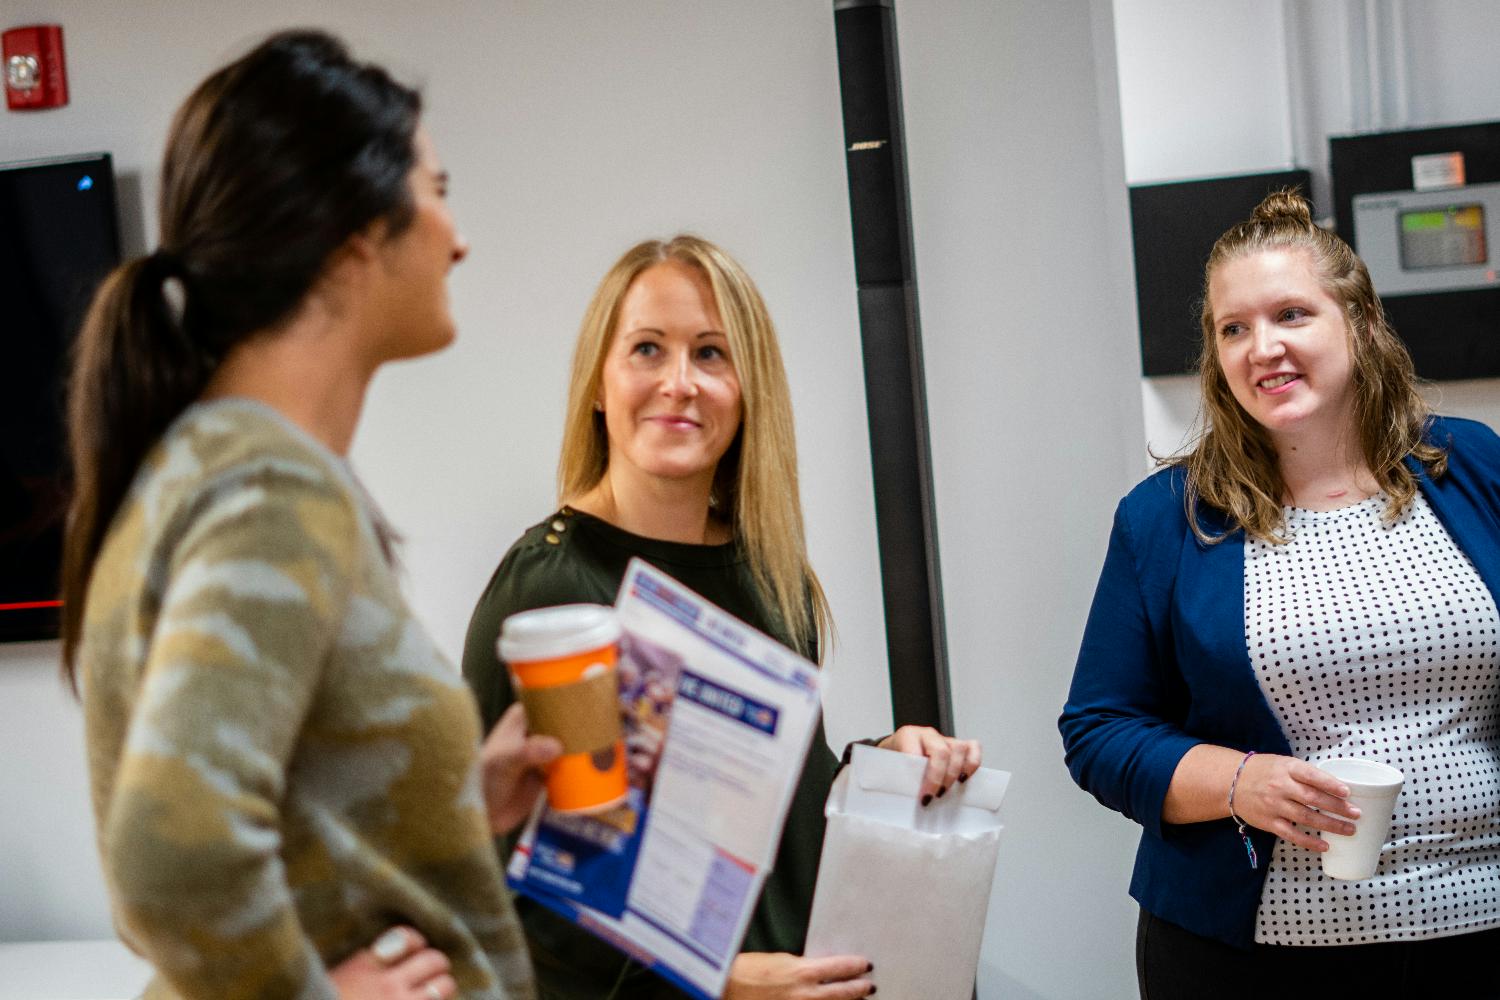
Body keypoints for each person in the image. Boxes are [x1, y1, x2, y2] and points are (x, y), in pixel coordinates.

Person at [61, 31, 559, 1000]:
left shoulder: (197, 466)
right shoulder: (272, 491)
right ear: (359, 237)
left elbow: (244, 832)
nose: (458, 237)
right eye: (437, 189)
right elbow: (171, 857)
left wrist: (459, 802)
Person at [462, 235, 982, 1000]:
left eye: (711, 354)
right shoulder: (551, 589)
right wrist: (721, 983)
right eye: (646, 349)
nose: (680, 383)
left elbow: (754, 819)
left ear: (748, 389)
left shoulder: (772, 577)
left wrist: (881, 768)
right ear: (598, 384)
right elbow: (509, 893)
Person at [1059, 189, 1500, 996]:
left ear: (1361, 324)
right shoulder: (1168, 520)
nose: (1263, 347)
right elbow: (1098, 730)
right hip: (1254, 955)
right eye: (1234, 328)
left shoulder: (1472, 466)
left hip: (1478, 928)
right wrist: (1238, 782)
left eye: (1292, 314)